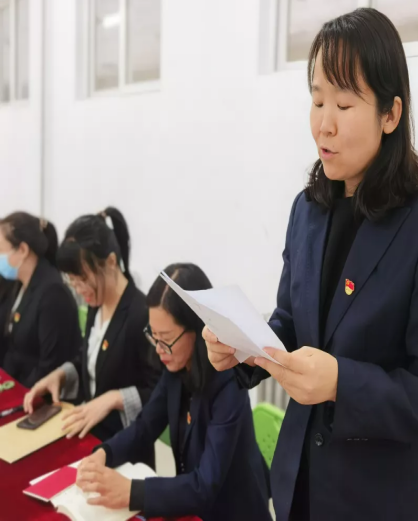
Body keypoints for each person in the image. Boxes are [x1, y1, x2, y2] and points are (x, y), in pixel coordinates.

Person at [203, 8, 418, 521]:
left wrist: (342, 383)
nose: (324, 123)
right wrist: (242, 347)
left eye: (344, 104)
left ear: (390, 115)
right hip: (297, 487)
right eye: (317, 99)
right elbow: (290, 322)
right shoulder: (307, 210)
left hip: (373, 502)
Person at [75, 263, 271, 521]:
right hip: (192, 506)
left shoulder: (229, 381)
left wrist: (132, 492)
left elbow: (205, 484)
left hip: (233, 511)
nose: (158, 349)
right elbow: (145, 426)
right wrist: (104, 452)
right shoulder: (176, 366)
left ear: (199, 329)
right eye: (153, 336)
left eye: (166, 339)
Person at [23, 208, 160, 462]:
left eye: (83, 279)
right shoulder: (97, 304)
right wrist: (60, 375)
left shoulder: (141, 314)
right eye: (72, 281)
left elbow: (161, 392)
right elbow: (90, 360)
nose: (78, 289)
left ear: (110, 262)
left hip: (125, 451)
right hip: (92, 438)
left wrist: (115, 398)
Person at [0, 212, 81, 387]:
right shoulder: (17, 285)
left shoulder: (53, 293)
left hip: (38, 393)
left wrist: (19, 395)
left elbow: (50, 365)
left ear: (22, 250)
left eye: (0, 250)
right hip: (14, 384)